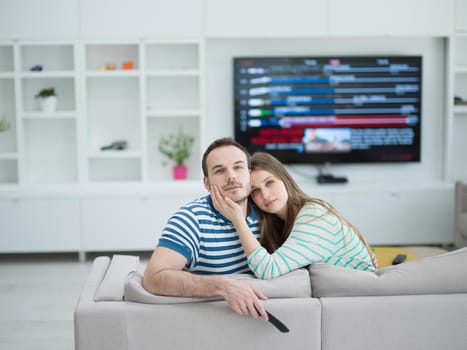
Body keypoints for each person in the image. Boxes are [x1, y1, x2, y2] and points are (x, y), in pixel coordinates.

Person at [143, 137, 269, 320]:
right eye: (219, 170)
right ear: (206, 183)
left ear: (250, 174)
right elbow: (153, 277)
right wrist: (223, 285)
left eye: (238, 167)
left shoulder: (268, 210)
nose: (231, 176)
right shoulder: (191, 219)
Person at [211, 151, 377, 280]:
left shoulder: (313, 215)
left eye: (269, 182)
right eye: (255, 191)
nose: (266, 194)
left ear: (285, 179)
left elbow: (268, 270)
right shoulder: (281, 223)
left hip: (361, 294)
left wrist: (238, 220)